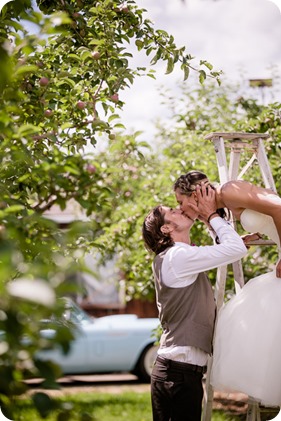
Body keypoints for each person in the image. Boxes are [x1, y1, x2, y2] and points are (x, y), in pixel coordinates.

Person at [174, 170, 281, 406]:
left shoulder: (230, 190)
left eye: (180, 202)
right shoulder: (227, 201)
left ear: (195, 194)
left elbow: (279, 208)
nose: (181, 209)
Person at [142, 184, 247, 421]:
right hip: (176, 373)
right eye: (173, 211)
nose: (180, 209)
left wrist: (218, 229)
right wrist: (210, 215)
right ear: (167, 227)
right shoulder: (177, 257)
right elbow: (235, 249)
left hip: (179, 371)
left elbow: (227, 249)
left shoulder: (177, 256)